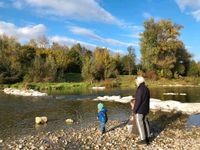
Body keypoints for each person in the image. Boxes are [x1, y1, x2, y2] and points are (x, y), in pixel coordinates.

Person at [133, 76, 151, 145]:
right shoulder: (147, 89)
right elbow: (147, 99)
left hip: (140, 110)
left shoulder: (139, 89)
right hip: (146, 109)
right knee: (145, 122)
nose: (136, 83)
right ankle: (148, 137)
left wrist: (134, 110)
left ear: (139, 81)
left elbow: (138, 101)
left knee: (140, 124)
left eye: (136, 81)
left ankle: (143, 139)